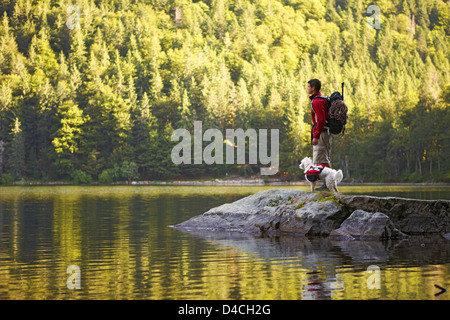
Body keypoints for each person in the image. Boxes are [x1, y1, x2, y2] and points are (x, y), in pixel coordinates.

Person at [307, 79, 332, 190]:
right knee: (324, 159)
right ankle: (327, 183)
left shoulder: (317, 102)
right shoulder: (322, 99)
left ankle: (327, 184)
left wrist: (316, 136)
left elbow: (321, 120)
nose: (307, 88)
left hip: (321, 133)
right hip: (325, 132)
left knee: (320, 159)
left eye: (308, 86)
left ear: (313, 88)